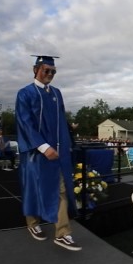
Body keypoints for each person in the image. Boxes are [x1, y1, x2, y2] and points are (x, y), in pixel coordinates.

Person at [15, 55, 81, 251]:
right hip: (36, 153)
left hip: (56, 152)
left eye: (53, 71)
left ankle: (62, 233)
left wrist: (67, 139)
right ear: (35, 69)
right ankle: (33, 223)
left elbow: (59, 121)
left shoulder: (57, 93)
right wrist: (43, 146)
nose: (50, 74)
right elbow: (24, 123)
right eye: (46, 70)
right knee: (33, 188)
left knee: (60, 190)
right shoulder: (24, 94)